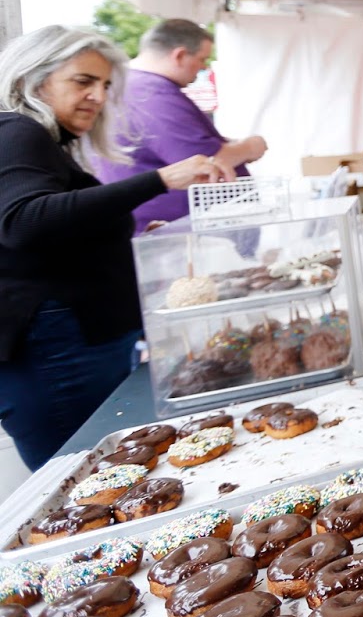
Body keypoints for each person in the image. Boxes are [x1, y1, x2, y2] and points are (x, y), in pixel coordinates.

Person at [0, 26, 228, 469]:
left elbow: (57, 227)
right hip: (56, 357)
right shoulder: (17, 131)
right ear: (34, 79)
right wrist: (161, 179)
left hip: (75, 348)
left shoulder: (43, 142)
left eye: (104, 85)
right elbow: (23, 221)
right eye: (82, 81)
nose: (98, 96)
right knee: (87, 484)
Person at [96, 18, 266, 231]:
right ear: (180, 55)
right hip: (173, 231)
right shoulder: (153, 94)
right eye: (202, 59)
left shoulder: (132, 85)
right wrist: (251, 147)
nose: (203, 68)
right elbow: (205, 161)